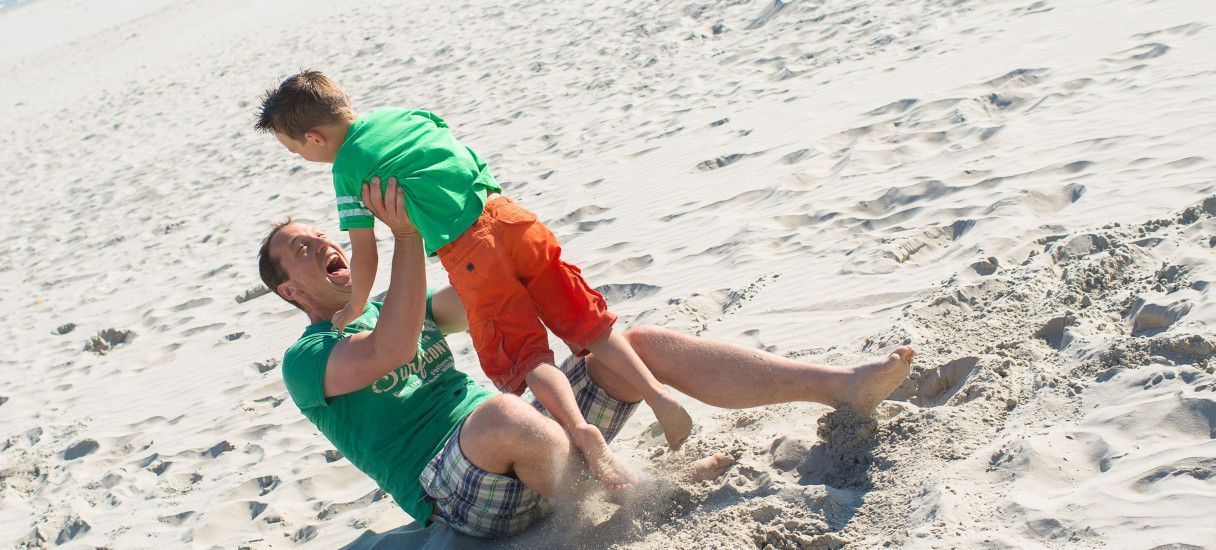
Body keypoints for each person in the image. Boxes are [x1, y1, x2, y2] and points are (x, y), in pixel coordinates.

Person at [257, 182, 916, 539]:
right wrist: (402, 238)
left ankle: (842, 387)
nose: (320, 243)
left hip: (533, 442)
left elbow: (486, 292)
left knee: (640, 349)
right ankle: (629, 499)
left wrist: (483, 225)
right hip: (454, 491)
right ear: (289, 291)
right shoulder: (306, 360)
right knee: (499, 417)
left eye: (320, 234)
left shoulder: (398, 310)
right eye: (302, 250)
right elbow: (390, 349)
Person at [254, 70, 692, 489]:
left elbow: (364, 255)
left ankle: (581, 432)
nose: (302, 158)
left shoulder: (347, 169)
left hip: (469, 250)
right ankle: (657, 395)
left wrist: (357, 303)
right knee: (590, 322)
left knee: (527, 355)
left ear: (314, 138)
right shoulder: (406, 115)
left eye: (297, 152)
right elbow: (457, 150)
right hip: (510, 214)